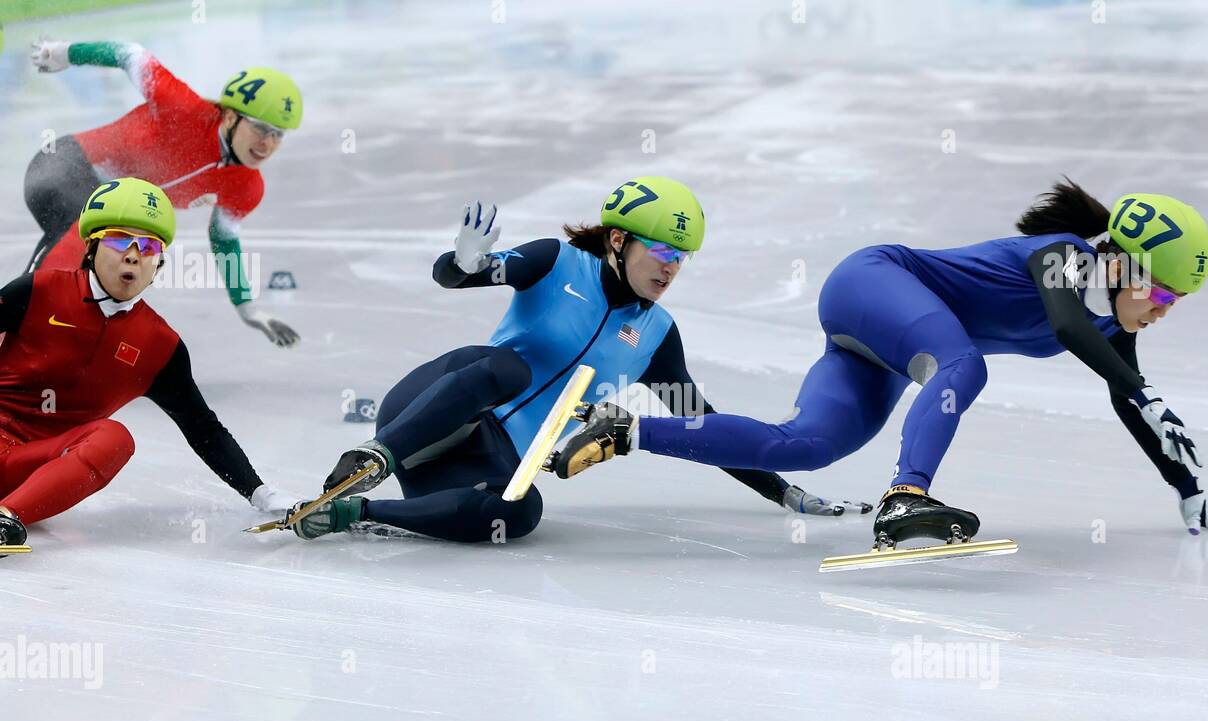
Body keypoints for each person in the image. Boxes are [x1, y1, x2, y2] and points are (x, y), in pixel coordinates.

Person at [551, 180, 1208, 542]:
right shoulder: (1065, 256)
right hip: (872, 284)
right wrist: (1144, 389)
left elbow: (1124, 394)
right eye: (1159, 288)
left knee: (805, 445)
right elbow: (1066, 325)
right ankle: (907, 495)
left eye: (1177, 301)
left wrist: (1188, 489)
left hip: (882, 343)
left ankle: (621, 430)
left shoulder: (1109, 326)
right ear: (1122, 259)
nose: (1162, 309)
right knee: (965, 364)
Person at [291, 177, 864, 542]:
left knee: (519, 512)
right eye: (662, 250)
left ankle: (359, 513)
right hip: (434, 409)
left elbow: (702, 425)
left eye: (682, 258)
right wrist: (463, 262)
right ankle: (374, 454)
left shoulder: (658, 335)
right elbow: (453, 278)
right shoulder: (554, 262)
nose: (671, 268)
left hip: (475, 462)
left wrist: (783, 491)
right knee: (508, 367)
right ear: (618, 241)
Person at [0, 178, 296, 550]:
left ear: (159, 264)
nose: (134, 255)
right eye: (121, 239)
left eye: (149, 246)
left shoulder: (159, 345)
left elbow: (204, 429)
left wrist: (263, 495)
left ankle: (6, 519)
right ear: (91, 247)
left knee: (115, 438)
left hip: (30, 474)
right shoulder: (37, 290)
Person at [25, 39, 300, 346]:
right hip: (62, 167)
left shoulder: (247, 186)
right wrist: (63, 53)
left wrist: (246, 308)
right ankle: (18, 323)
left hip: (111, 203)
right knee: (84, 242)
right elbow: (129, 54)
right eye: (261, 128)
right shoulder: (184, 109)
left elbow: (224, 240)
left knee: (111, 270)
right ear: (232, 117)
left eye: (278, 134)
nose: (268, 143)